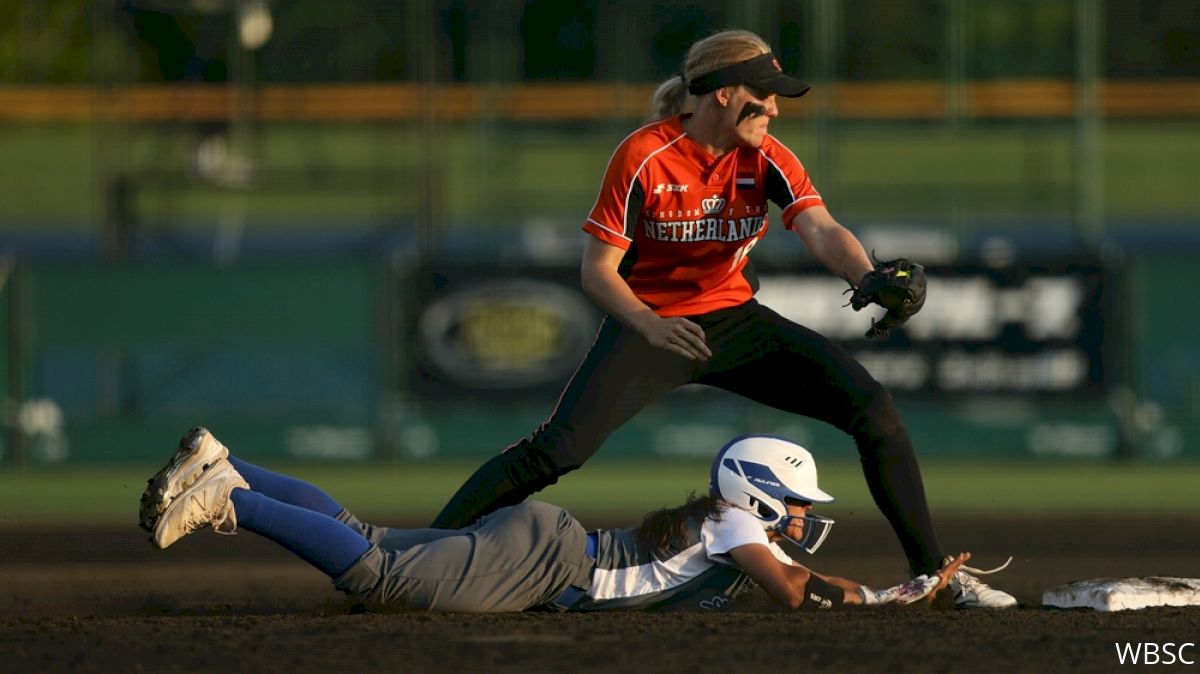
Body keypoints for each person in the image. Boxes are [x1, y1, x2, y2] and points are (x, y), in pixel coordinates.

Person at [426, 29, 1015, 609]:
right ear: (723, 93)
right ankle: (417, 557)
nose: (775, 110)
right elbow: (597, 272)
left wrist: (865, 276)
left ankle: (937, 577)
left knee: (875, 411)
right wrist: (649, 324)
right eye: (765, 95)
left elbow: (821, 227)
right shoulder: (644, 156)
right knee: (557, 452)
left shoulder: (764, 157)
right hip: (651, 327)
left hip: (735, 322)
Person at [139, 427, 984, 612]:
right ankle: (231, 501)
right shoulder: (738, 528)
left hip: (547, 546)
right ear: (758, 491)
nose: (802, 516)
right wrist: (889, 597)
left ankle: (231, 463)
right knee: (377, 574)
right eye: (796, 501)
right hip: (547, 566)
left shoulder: (727, 523)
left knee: (369, 536)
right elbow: (795, 592)